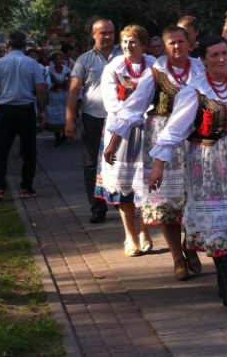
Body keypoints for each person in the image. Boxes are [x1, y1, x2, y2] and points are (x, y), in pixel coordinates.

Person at [149, 35, 227, 307]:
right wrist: (158, 165)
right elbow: (174, 131)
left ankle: (224, 271)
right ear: (203, 60)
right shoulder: (193, 90)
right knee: (216, 221)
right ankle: (225, 278)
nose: (221, 59)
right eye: (214, 55)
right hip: (205, 164)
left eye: (224, 53)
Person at [105, 25, 205, 279]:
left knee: (198, 199)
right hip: (162, 140)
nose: (177, 47)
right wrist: (114, 141)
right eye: (171, 43)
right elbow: (133, 107)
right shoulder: (156, 72)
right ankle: (176, 258)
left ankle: (189, 245)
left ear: (188, 43)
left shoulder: (199, 68)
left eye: (181, 41)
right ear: (163, 46)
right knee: (164, 203)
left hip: (196, 139)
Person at [97, 25, 156, 257]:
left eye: (133, 42)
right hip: (121, 129)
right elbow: (111, 102)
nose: (128, 46)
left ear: (143, 45)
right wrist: (131, 116)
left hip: (149, 129)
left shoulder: (154, 65)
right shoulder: (113, 67)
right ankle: (129, 236)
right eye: (125, 42)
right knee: (124, 184)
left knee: (147, 183)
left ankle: (144, 230)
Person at [66, 19, 123, 224]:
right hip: (93, 118)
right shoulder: (84, 60)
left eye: (110, 32)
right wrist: (69, 119)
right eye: (103, 33)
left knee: (121, 160)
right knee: (92, 164)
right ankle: (98, 207)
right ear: (94, 35)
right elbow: (74, 91)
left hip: (119, 119)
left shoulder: (124, 56)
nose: (107, 37)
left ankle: (120, 199)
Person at [0, 31, 47, 200]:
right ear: (25, 46)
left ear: (9, 45)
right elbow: (40, 89)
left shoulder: (0, 63)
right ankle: (26, 187)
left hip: (5, 109)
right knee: (29, 150)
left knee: (1, 150)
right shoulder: (32, 63)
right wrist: (42, 110)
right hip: (26, 109)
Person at [46, 50, 71, 146]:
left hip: (64, 95)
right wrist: (52, 85)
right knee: (54, 115)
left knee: (65, 114)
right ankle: (57, 137)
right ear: (53, 60)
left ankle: (64, 135)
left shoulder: (66, 69)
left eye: (60, 58)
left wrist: (67, 84)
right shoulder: (49, 70)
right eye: (56, 59)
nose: (59, 60)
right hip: (54, 96)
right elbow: (47, 82)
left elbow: (72, 79)